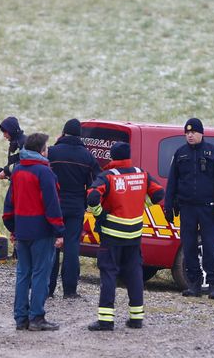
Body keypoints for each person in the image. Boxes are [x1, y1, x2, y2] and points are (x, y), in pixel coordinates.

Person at [85, 142, 165, 331]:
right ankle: (136, 318)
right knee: (135, 274)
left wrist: (99, 214)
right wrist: (141, 206)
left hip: (112, 234)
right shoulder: (141, 173)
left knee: (109, 273)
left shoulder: (108, 176)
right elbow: (159, 193)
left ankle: (106, 320)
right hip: (134, 234)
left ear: (113, 157)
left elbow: (92, 196)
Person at [2, 133, 65, 331]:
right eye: (47, 148)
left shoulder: (18, 170)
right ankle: (36, 317)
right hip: (42, 232)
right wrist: (59, 231)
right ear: (41, 151)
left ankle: (21, 318)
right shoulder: (44, 172)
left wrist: (13, 228)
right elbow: (52, 204)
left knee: (23, 274)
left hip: (22, 230)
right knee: (40, 274)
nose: (48, 151)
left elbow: (9, 203)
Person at [164, 117, 214, 300]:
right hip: (187, 208)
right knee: (189, 246)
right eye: (187, 132)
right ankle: (194, 284)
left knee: (209, 246)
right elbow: (172, 182)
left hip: (208, 208)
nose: (190, 135)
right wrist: (168, 206)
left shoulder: (213, 152)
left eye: (193, 132)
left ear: (201, 133)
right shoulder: (180, 153)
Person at [48, 118, 102, 299]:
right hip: (76, 207)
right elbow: (96, 182)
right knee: (71, 247)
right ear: (80, 135)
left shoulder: (52, 152)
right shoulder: (87, 156)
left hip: (53, 206)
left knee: (51, 246)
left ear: (63, 132)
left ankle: (48, 289)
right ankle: (70, 291)